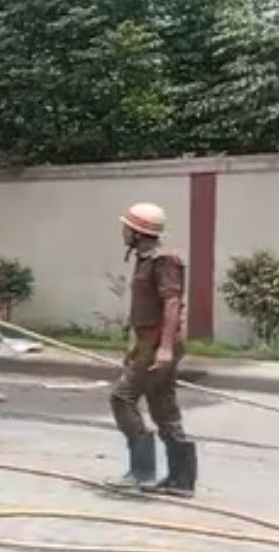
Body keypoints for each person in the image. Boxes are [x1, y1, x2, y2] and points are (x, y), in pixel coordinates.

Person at [107, 203, 197, 497]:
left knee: (122, 398)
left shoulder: (163, 260)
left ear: (137, 232)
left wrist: (166, 348)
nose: (122, 231)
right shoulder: (145, 259)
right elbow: (148, 309)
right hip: (148, 342)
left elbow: (171, 303)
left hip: (158, 344)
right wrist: (136, 345)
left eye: (126, 227)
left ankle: (141, 471)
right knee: (162, 406)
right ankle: (181, 480)